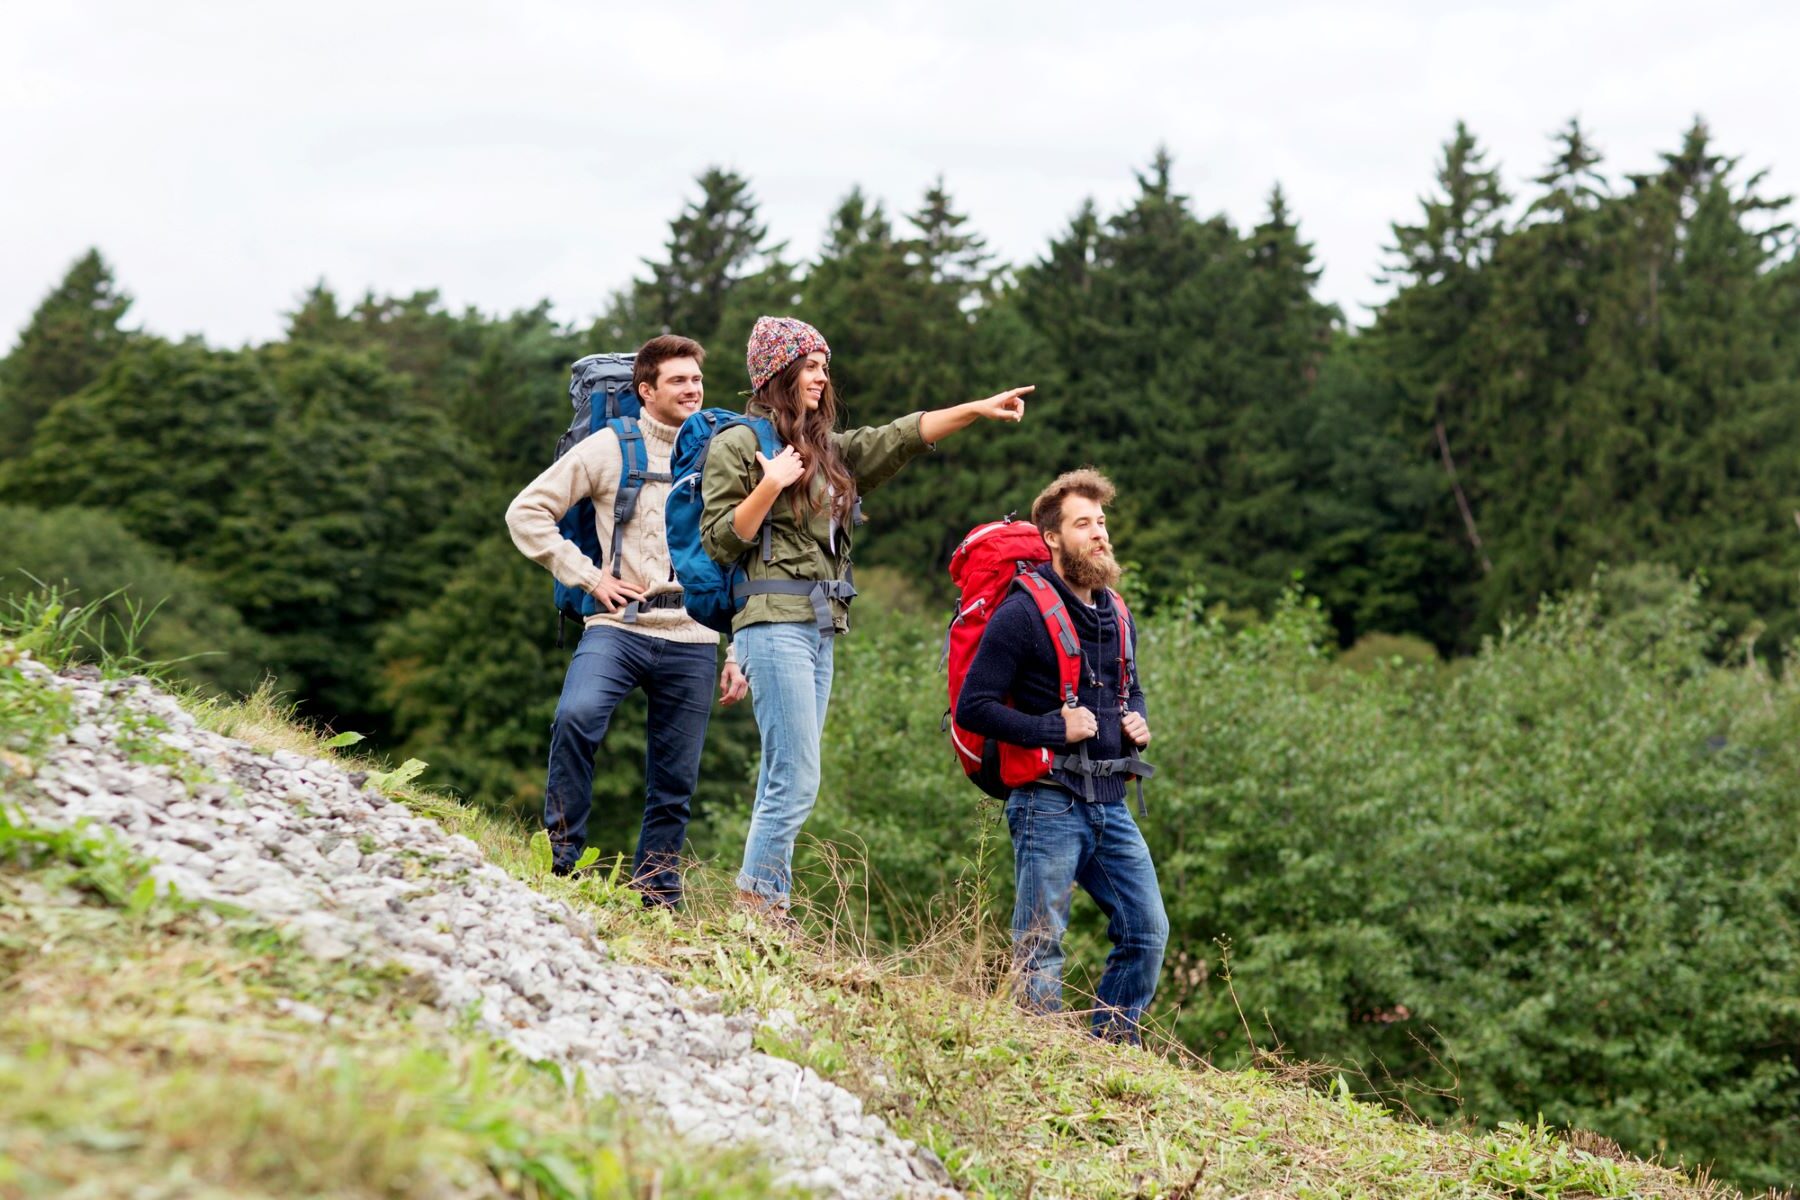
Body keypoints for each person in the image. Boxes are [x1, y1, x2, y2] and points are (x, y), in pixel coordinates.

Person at [702, 314, 1031, 918]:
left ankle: (761, 903)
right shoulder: (736, 447)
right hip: (772, 626)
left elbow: (904, 434)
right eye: (812, 366)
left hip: (820, 628)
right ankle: (759, 909)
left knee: (789, 773)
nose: (823, 379)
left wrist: (977, 409)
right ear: (778, 372)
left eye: (825, 368)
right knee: (796, 777)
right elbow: (723, 541)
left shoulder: (828, 453)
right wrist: (770, 483)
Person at [506, 333, 747, 901]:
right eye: (679, 380)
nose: (693, 390)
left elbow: (739, 553)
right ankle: (561, 862)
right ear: (646, 390)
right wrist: (588, 577)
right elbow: (526, 511)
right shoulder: (610, 446)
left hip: (695, 633)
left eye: (697, 379)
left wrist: (738, 648)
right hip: (619, 625)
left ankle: (656, 893)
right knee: (575, 718)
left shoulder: (719, 452)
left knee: (676, 779)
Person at [954, 468, 1168, 1043]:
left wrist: (1137, 723)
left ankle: (1112, 1053)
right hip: (1046, 802)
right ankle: (1042, 1061)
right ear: (1052, 538)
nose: (1099, 534)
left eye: (1101, 523)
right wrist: (1053, 726)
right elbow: (973, 707)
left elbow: (1133, 687)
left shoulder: (1118, 612)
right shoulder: (1020, 614)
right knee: (1040, 946)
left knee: (1147, 932)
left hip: (1110, 800)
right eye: (1083, 524)